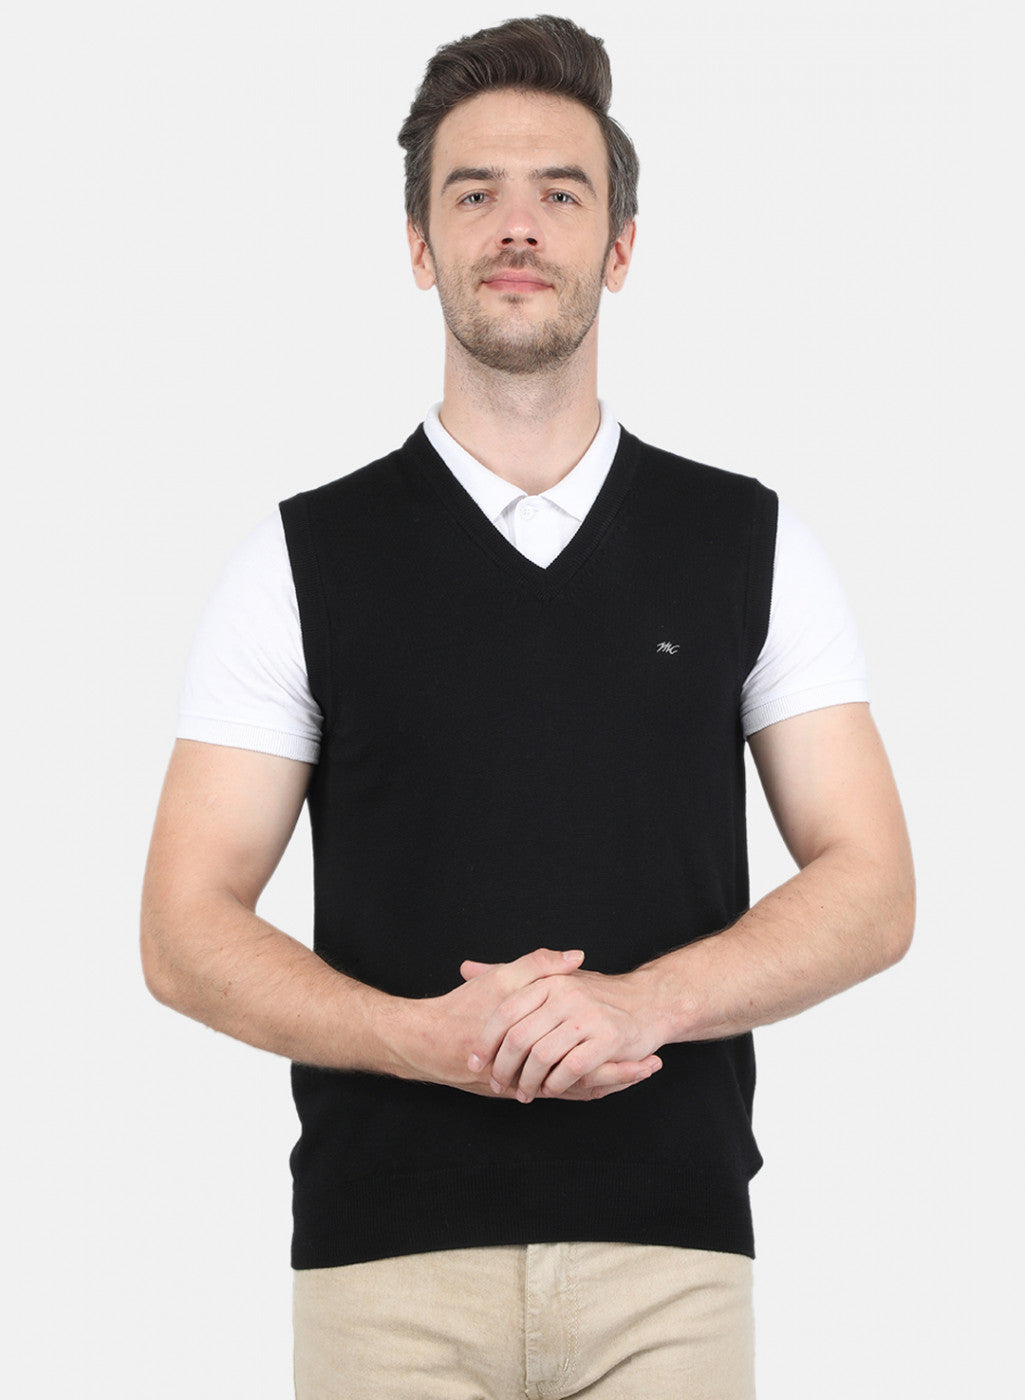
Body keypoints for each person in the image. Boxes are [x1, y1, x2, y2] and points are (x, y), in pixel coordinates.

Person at [141, 15, 914, 1398]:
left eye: (561, 192)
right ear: (418, 244)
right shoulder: (299, 560)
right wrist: (419, 1039)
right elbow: (182, 928)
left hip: (670, 1266)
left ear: (619, 246)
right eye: (472, 193)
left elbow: (872, 887)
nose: (517, 226)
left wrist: (643, 1005)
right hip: (383, 1274)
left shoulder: (748, 542)